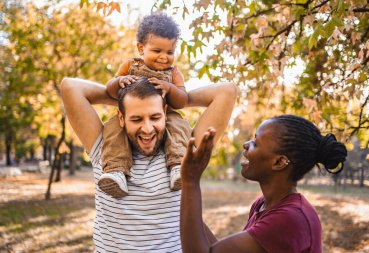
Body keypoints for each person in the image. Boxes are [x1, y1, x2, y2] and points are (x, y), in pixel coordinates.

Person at [60, 77, 237, 252]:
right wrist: (125, 98)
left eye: (155, 117)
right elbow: (70, 87)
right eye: (136, 119)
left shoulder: (185, 152)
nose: (147, 128)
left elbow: (227, 91)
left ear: (165, 113)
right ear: (121, 118)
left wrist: (175, 98)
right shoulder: (104, 148)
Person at [180, 115, 347, 253]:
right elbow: (217, 249)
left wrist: (190, 181)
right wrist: (179, 203)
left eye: (256, 143)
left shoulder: (290, 219)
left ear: (279, 162)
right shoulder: (263, 204)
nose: (246, 145)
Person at [100, 13, 190, 198]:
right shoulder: (130, 64)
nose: (164, 57)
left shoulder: (174, 74)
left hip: (164, 115)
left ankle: (177, 167)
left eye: (170, 52)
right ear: (141, 48)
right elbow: (109, 90)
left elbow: (183, 101)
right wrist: (119, 81)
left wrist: (170, 88)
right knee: (112, 128)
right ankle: (116, 171)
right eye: (157, 51)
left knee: (179, 125)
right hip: (132, 115)